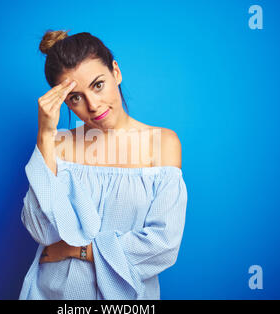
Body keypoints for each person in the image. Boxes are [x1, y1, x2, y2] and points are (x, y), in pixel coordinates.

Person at [19, 30, 188, 300]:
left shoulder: (163, 143)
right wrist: (45, 135)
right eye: (75, 97)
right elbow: (41, 229)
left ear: (116, 72)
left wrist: (77, 250)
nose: (93, 105)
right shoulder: (57, 144)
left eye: (98, 85)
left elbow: (162, 246)